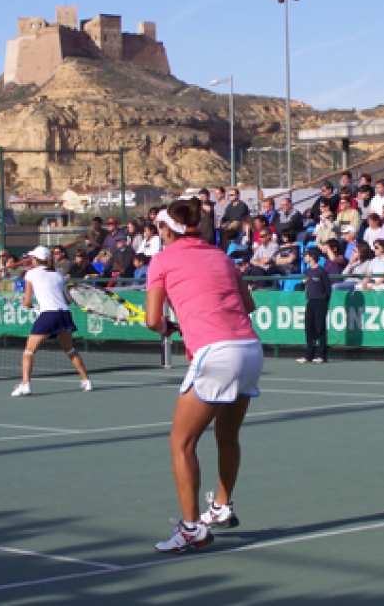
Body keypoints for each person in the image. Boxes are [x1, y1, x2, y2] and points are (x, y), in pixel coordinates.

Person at [144, 199, 262, 553]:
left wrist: (168, 325)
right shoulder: (221, 256)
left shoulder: (161, 261)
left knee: (181, 443)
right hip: (249, 350)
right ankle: (223, 506)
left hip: (216, 354)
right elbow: (248, 306)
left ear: (167, 229)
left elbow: (153, 321)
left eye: (159, 228)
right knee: (227, 436)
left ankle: (192, 528)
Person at [10, 246, 91, 398]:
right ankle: (86, 381)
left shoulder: (31, 274)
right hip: (64, 314)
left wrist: (25, 303)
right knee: (70, 349)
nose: (31, 259)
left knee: (28, 352)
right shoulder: (59, 275)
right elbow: (66, 300)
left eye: (32, 257)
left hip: (49, 315)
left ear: (35, 259)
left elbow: (27, 301)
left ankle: (25, 385)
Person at [298, 247, 331, 364]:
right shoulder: (308, 271)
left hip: (320, 302)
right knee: (309, 328)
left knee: (320, 328)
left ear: (312, 256)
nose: (305, 257)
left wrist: (324, 301)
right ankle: (309, 355)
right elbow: (305, 283)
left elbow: (327, 289)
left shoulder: (321, 272)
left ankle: (321, 355)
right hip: (310, 301)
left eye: (307, 255)